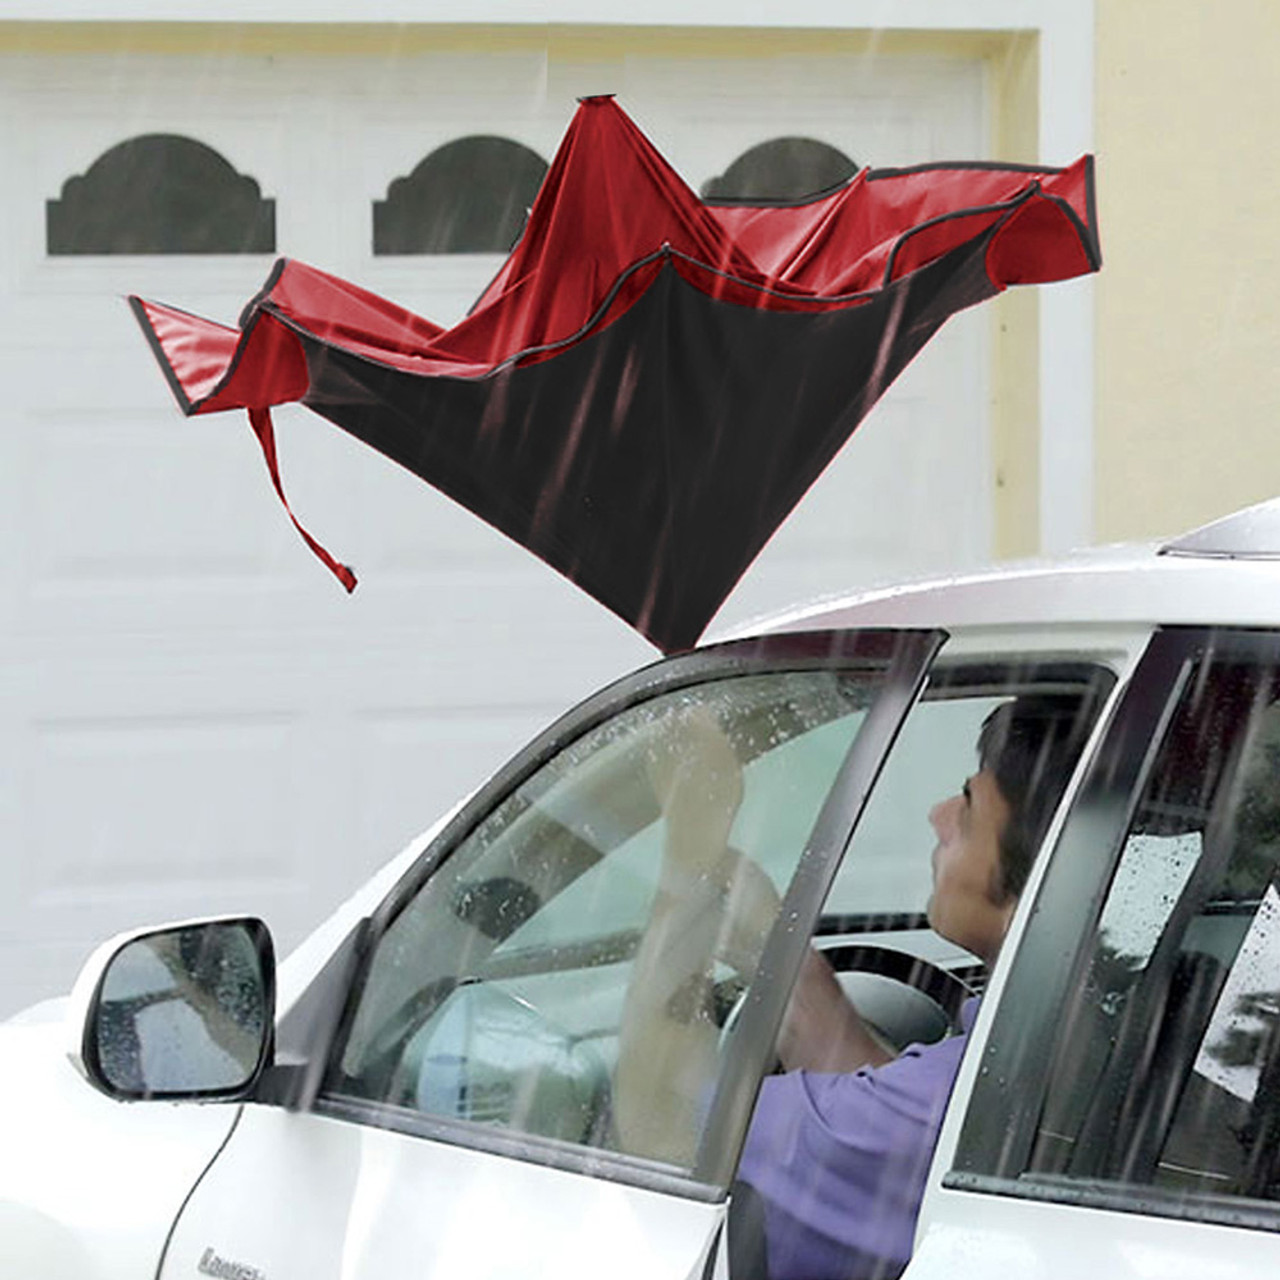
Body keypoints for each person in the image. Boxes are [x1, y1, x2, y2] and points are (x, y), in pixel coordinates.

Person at [733, 694, 1092, 1280]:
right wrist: (779, 959)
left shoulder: (972, 1091)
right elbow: (886, 1139)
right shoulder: (1082, 1035)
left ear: (1044, 862)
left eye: (970, 805)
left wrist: (680, 869)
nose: (939, 814)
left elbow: (670, 1121)